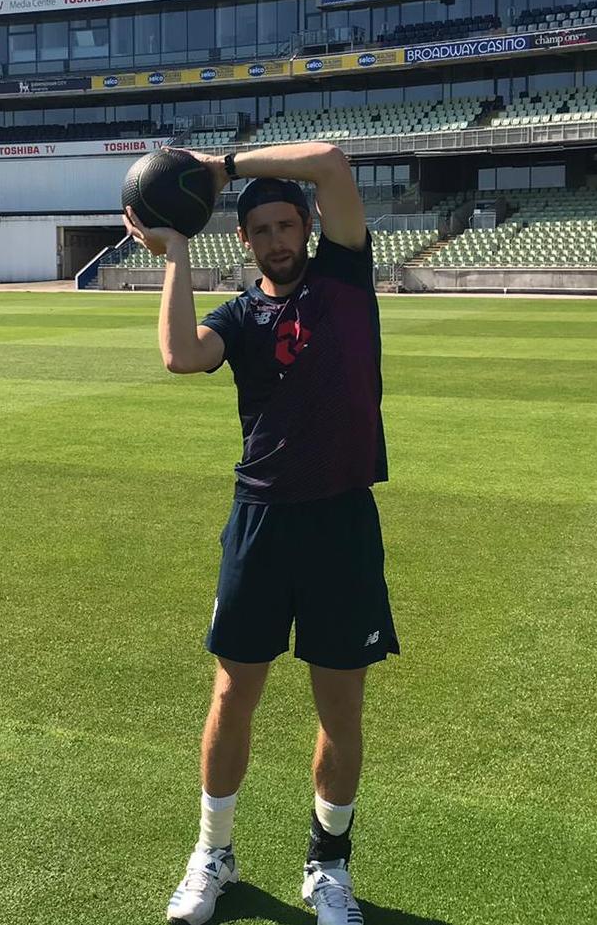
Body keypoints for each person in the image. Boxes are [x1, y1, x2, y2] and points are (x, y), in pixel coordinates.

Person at [123, 142, 399, 925]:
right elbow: (180, 356)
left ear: (308, 225)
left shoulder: (347, 274)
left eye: (287, 223)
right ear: (243, 240)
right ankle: (212, 853)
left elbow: (335, 162)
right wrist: (174, 248)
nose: (277, 239)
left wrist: (223, 164)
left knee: (340, 707)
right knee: (231, 691)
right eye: (262, 230)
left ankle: (328, 865)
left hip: (343, 518)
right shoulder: (241, 316)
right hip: (261, 519)